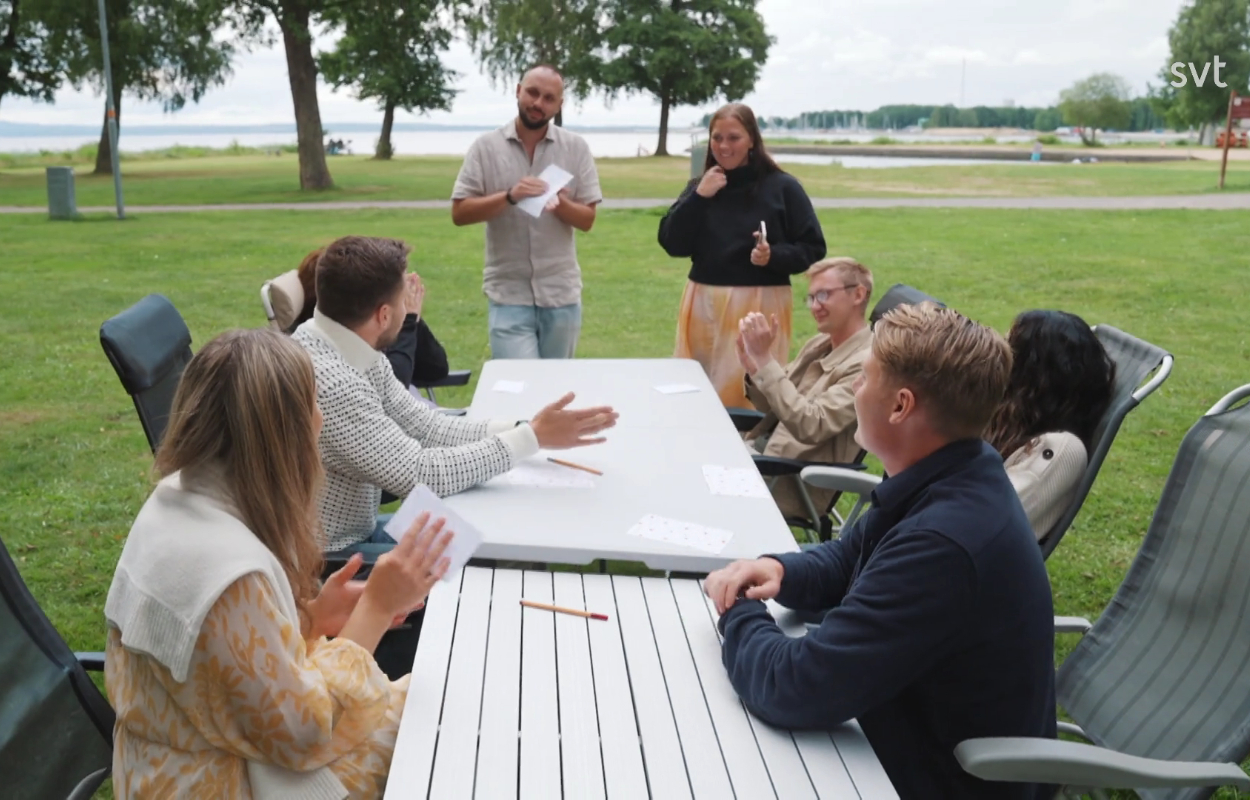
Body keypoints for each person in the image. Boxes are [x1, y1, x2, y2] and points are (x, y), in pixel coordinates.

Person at [705, 303, 1057, 800]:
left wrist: (739, 612)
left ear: (900, 407)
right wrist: (780, 569)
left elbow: (796, 686)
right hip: (891, 740)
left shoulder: (944, 545)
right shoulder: (953, 469)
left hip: (927, 777)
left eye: (865, 377)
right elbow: (854, 557)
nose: (854, 389)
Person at [104, 327, 454, 798]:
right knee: (439, 724)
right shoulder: (230, 573)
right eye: (313, 404)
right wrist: (374, 607)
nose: (321, 419)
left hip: (168, 767)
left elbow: (222, 671)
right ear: (282, 434)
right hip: (226, 783)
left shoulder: (176, 500)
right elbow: (304, 734)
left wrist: (310, 619)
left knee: (427, 704)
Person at [291, 235, 618, 554]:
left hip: (353, 532)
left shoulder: (344, 344)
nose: (411, 310)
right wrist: (530, 437)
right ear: (384, 315)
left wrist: (529, 427)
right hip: (331, 555)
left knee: (480, 534)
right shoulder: (331, 382)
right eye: (405, 300)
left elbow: (427, 427)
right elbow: (421, 474)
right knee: (481, 553)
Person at [659, 102, 826, 409]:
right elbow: (672, 243)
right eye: (717, 137)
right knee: (695, 389)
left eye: (733, 137)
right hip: (702, 301)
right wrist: (698, 198)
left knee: (748, 396)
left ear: (751, 139)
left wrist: (773, 255)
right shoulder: (701, 187)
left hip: (759, 303)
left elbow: (813, 246)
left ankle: (751, 452)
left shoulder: (783, 187)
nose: (724, 146)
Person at [450, 64, 602, 360]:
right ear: (518, 91)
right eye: (532, 93)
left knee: (557, 387)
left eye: (549, 98)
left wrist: (561, 204)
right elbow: (459, 212)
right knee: (519, 390)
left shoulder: (575, 148)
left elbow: (588, 220)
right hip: (508, 293)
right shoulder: (486, 148)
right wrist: (509, 196)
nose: (538, 103)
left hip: (561, 294)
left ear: (559, 105)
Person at [736, 257, 874, 521]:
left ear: (858, 294)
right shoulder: (820, 343)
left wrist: (765, 360)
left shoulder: (865, 364)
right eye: (811, 298)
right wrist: (755, 368)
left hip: (790, 481)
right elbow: (774, 406)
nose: (815, 307)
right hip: (765, 457)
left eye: (823, 295)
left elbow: (812, 424)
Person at [984, 310, 1116, 540]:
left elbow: (981, 522)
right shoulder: (1006, 421)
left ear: (1032, 373)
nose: (1000, 350)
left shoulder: (1062, 449)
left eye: (1010, 345)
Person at [294, 247, 451, 391]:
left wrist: (405, 313)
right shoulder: (336, 366)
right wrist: (407, 321)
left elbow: (436, 368)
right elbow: (390, 393)